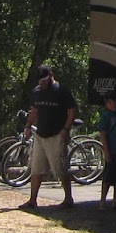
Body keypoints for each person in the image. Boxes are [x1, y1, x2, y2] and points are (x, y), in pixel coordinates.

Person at [22, 64, 77, 209]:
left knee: (61, 168)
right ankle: (32, 200)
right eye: (41, 81)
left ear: (51, 76)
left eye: (45, 80)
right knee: (36, 168)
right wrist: (28, 126)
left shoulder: (62, 90)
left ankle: (68, 199)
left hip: (57, 135)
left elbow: (72, 110)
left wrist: (66, 129)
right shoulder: (37, 92)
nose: (43, 83)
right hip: (41, 135)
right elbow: (34, 111)